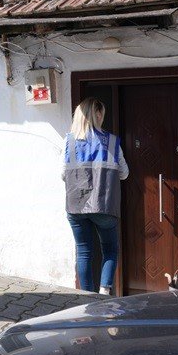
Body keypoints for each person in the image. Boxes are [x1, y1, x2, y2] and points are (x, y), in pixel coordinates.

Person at [62, 98, 129, 295]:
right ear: (98, 114)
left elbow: (62, 174)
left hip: (76, 206)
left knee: (84, 252)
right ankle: (104, 291)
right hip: (104, 205)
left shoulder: (69, 141)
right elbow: (125, 174)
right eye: (102, 114)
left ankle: (86, 297)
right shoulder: (113, 141)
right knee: (109, 250)